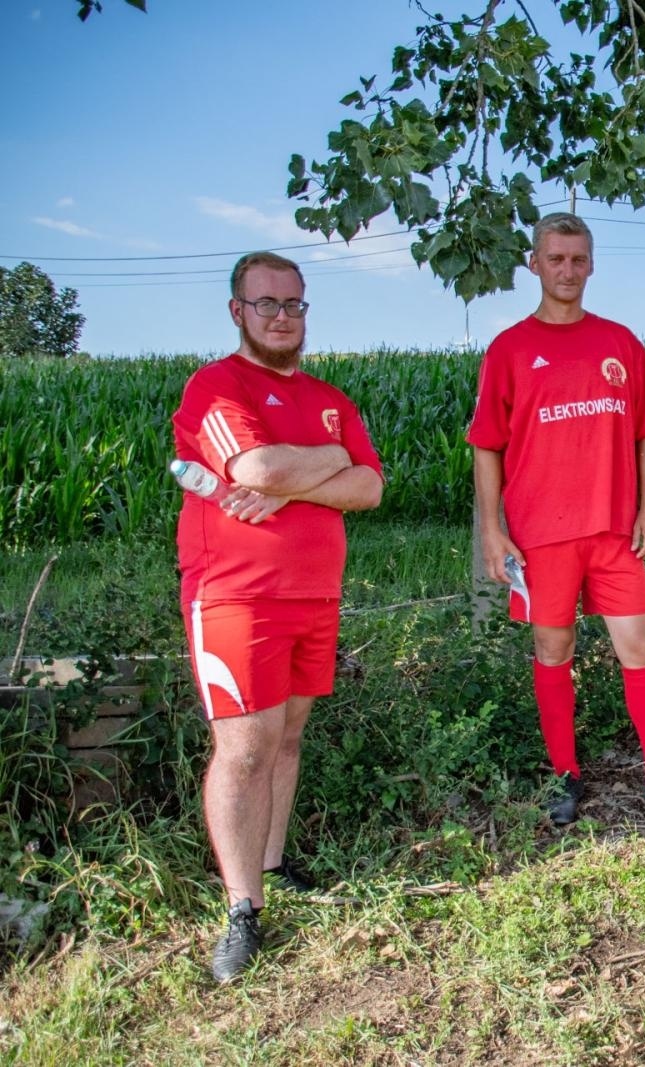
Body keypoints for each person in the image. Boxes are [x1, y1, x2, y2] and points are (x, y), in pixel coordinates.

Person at [172, 252, 384, 982]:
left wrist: (307, 476)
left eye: (294, 304)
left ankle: (273, 862)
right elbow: (254, 471)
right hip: (236, 594)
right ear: (238, 311)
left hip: (313, 595)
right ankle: (241, 909)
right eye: (267, 304)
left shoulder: (330, 396)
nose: (283, 316)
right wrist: (328, 460)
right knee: (247, 745)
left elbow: (371, 487)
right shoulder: (215, 386)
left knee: (288, 735)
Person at [467, 212, 645, 830]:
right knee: (554, 649)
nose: (567, 270)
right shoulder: (510, 349)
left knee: (641, 646)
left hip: (612, 532)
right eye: (555, 259)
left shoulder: (621, 344)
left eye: (578, 259)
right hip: (541, 537)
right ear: (535, 265)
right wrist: (493, 531)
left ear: (592, 264)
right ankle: (563, 776)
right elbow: (486, 444)